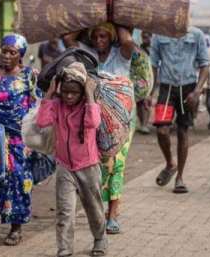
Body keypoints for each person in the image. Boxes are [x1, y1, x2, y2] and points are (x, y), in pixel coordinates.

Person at [62, 23, 135, 235]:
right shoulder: (87, 55)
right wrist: (90, 18)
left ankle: (111, 217)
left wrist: (115, 18)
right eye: (95, 37)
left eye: (104, 36)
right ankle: (100, 210)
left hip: (121, 119)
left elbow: (128, 41)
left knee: (116, 164)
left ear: (112, 38)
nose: (99, 40)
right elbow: (68, 38)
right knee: (97, 164)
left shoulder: (121, 55)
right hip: (93, 116)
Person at [36, 63, 107, 257]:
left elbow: (93, 122)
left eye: (74, 92)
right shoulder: (57, 104)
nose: (69, 96)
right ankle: (65, 249)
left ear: (82, 91)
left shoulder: (88, 105)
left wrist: (90, 95)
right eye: (65, 92)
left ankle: (100, 238)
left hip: (88, 166)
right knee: (64, 212)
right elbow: (42, 122)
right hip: (64, 166)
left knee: (94, 209)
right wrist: (49, 94)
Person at [0, 34, 41, 246]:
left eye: (12, 52)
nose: (6, 56)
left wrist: (38, 137)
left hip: (19, 139)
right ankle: (2, 208)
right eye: (4, 51)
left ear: (21, 55)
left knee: (18, 179)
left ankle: (16, 228)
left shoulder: (29, 75)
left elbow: (37, 105)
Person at [150, 27, 210, 193]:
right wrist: (149, 92)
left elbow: (205, 65)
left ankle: (180, 178)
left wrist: (197, 91)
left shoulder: (197, 34)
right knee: (162, 130)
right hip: (166, 88)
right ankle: (170, 163)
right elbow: (153, 65)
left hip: (189, 88)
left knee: (183, 132)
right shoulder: (158, 34)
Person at [136, 30, 153, 134]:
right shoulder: (139, 49)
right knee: (139, 103)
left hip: (151, 79)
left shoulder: (154, 49)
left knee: (147, 101)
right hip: (139, 78)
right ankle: (142, 123)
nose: (145, 39)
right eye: (144, 37)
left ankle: (145, 124)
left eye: (147, 37)